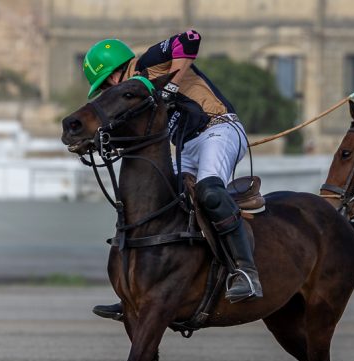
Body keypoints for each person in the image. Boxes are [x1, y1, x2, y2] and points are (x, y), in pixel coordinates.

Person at [84, 31, 263, 321]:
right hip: (186, 145)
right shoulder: (132, 94)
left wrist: (172, 85)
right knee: (161, 203)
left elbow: (190, 38)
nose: (107, 89)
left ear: (116, 72)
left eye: (105, 82)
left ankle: (245, 270)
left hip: (218, 128)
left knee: (210, 191)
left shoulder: (148, 64)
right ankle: (139, 293)